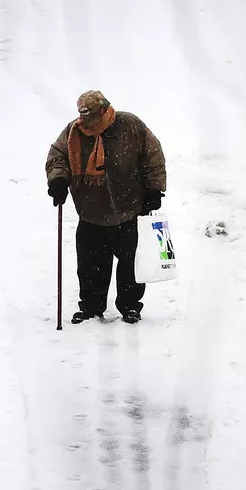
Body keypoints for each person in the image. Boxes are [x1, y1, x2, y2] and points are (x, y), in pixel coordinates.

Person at [46, 90, 166, 324]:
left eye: (91, 116)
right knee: (90, 267)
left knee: (131, 265)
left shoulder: (129, 124)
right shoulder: (74, 131)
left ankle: (130, 306)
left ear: (104, 109)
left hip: (129, 208)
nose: (86, 122)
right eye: (83, 116)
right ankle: (91, 307)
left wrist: (154, 188)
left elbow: (153, 155)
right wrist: (58, 179)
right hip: (91, 211)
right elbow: (57, 155)